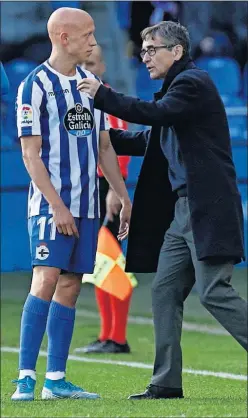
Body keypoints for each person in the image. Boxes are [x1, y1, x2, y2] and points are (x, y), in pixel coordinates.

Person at [77, 20, 248, 400]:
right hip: (184, 212)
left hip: (208, 208)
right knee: (165, 292)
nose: (145, 57)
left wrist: (101, 94)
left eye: (152, 49)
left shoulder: (193, 84)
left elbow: (153, 115)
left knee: (214, 292)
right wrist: (99, 137)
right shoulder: (175, 94)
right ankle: (166, 382)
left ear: (177, 51)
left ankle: (166, 379)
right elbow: (144, 137)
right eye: (143, 50)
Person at [13, 7, 131, 402]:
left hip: (88, 204)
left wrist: (123, 194)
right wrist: (57, 206)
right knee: (45, 279)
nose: (94, 42)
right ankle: (26, 378)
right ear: (63, 37)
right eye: (87, 35)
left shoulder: (90, 83)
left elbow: (103, 145)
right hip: (51, 206)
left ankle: (55, 381)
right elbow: (31, 155)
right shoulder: (34, 86)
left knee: (70, 286)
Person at [75, 45, 132, 354]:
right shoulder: (77, 101)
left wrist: (115, 188)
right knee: (100, 263)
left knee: (112, 262)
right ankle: (107, 334)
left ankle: (118, 337)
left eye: (93, 63)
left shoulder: (107, 101)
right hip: (87, 189)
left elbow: (118, 145)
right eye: (83, 63)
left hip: (105, 186)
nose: (88, 69)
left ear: (104, 66)